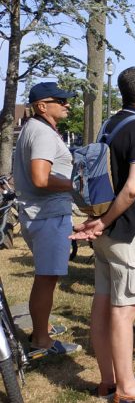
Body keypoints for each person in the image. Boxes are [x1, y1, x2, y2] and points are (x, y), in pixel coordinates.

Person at [70, 67, 135, 402]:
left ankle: (109, 380)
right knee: (125, 311)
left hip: (108, 234)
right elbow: (132, 189)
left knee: (103, 305)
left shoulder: (110, 124)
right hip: (130, 234)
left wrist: (100, 222)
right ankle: (128, 389)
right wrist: (103, 221)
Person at [12, 82, 81, 357]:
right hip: (47, 215)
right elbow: (41, 178)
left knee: (46, 277)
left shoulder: (36, 128)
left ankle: (43, 325)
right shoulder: (41, 132)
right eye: (61, 100)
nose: (67, 104)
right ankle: (41, 340)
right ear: (42, 106)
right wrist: (75, 184)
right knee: (47, 278)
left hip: (40, 215)